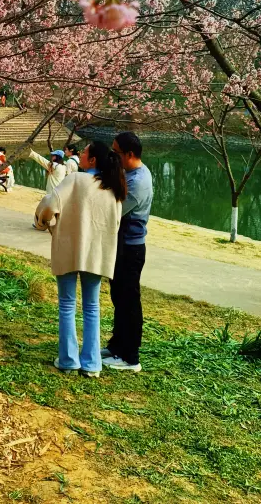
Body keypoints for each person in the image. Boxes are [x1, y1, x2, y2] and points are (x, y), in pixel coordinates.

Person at [34, 141, 126, 378]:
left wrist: (43, 222)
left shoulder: (76, 180)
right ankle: (92, 363)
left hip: (69, 247)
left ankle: (68, 360)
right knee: (92, 306)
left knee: (67, 304)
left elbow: (49, 203)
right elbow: (116, 222)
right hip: (96, 252)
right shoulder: (113, 187)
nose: (81, 154)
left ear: (92, 159)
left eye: (85, 152)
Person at [103, 131, 153, 373]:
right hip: (121, 246)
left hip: (131, 249)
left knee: (129, 302)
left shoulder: (137, 183)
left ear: (129, 155)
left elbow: (114, 212)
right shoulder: (129, 173)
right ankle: (116, 347)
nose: (113, 157)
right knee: (119, 298)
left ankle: (130, 357)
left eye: (116, 153)